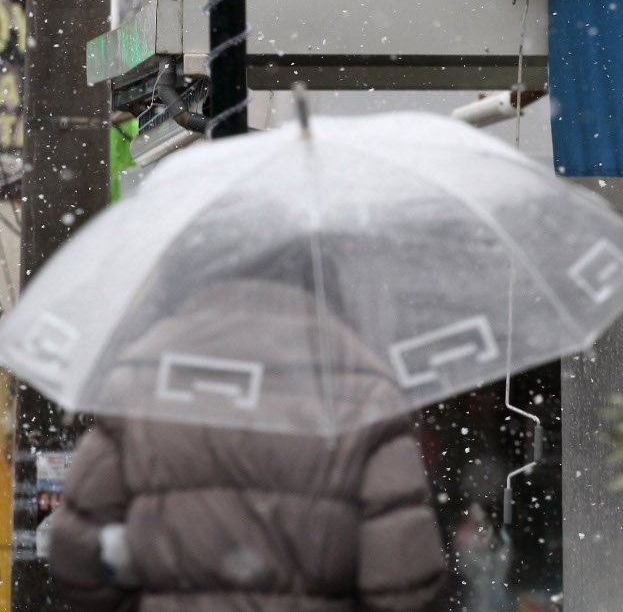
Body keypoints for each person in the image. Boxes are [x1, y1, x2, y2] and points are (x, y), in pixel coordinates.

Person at [48, 260, 446, 612]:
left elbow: (76, 557)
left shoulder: (141, 378)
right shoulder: (365, 391)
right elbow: (402, 583)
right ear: (320, 273)